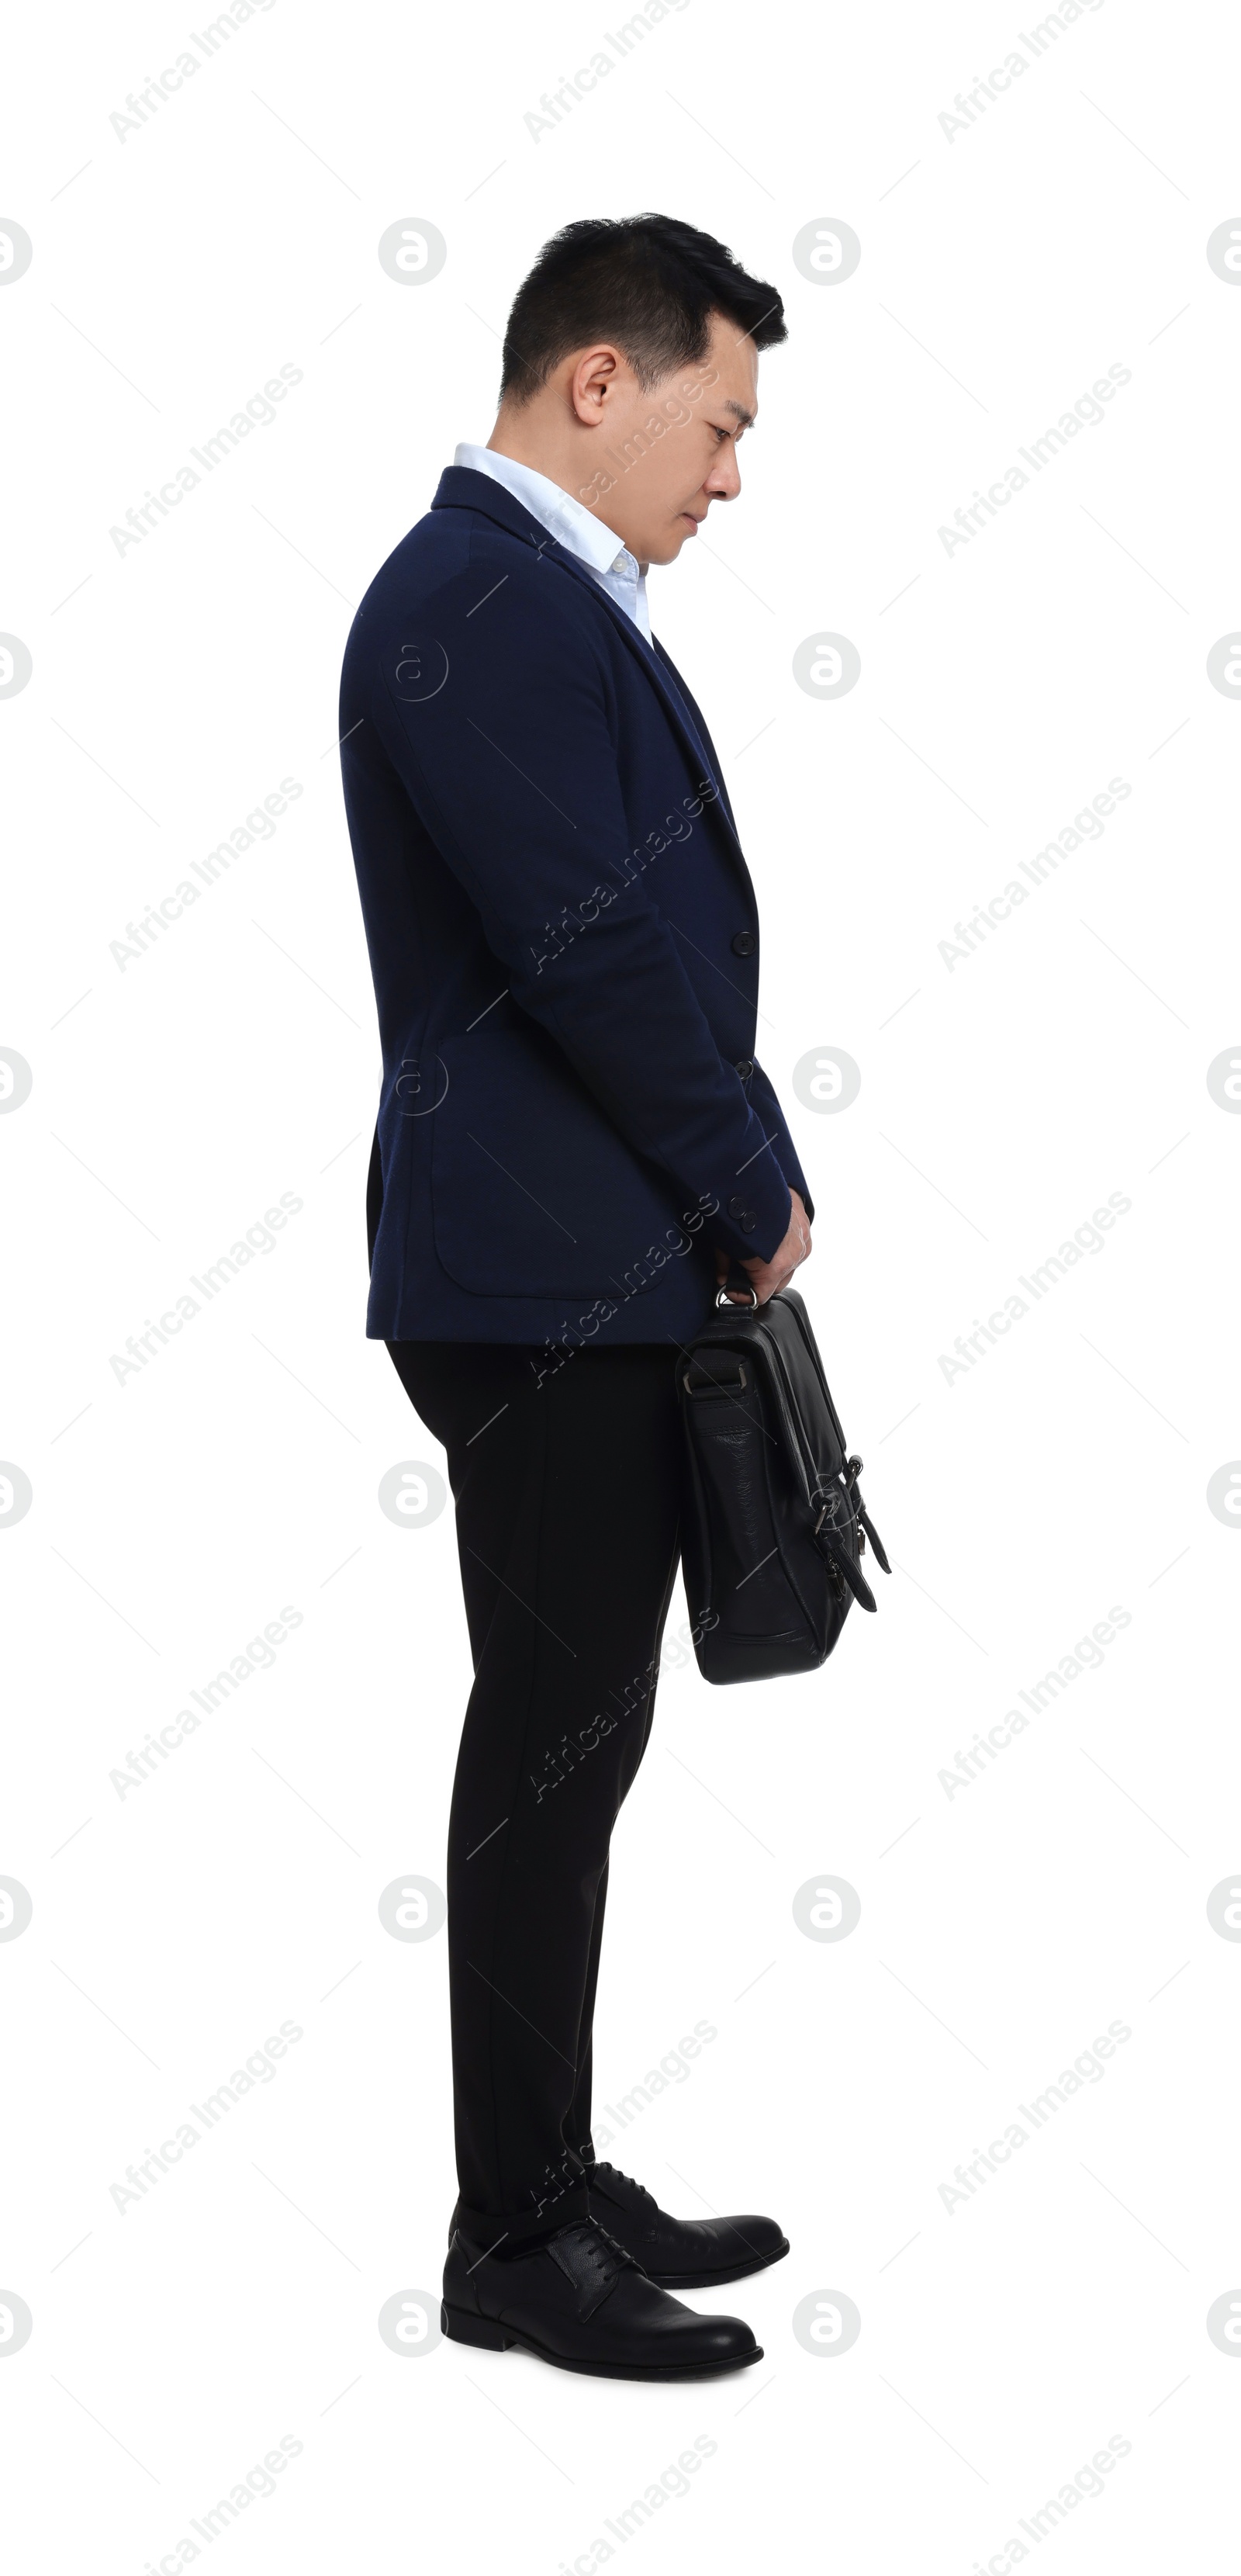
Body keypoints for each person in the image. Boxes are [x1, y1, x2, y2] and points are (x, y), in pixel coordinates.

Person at [340, 213, 813, 2380]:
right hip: (545, 1272)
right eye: (716, 423)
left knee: (581, 1745)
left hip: (583, 1261)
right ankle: (511, 2236)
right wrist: (746, 1173)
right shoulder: (475, 602)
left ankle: (553, 2164)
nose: (730, 474)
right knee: (551, 1750)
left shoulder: (533, 602)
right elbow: (589, 941)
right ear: (594, 386)